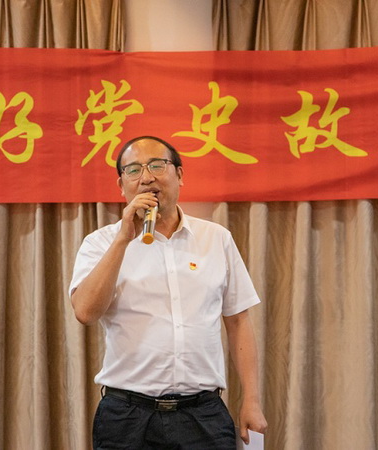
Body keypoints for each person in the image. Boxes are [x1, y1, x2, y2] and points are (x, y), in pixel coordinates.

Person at [69, 136, 267, 449]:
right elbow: (85, 312)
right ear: (121, 185)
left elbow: (238, 321)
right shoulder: (100, 243)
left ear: (179, 174)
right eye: (133, 170)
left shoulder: (216, 238)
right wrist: (123, 239)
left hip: (202, 414)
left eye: (157, 166)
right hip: (127, 417)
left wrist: (252, 400)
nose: (146, 177)